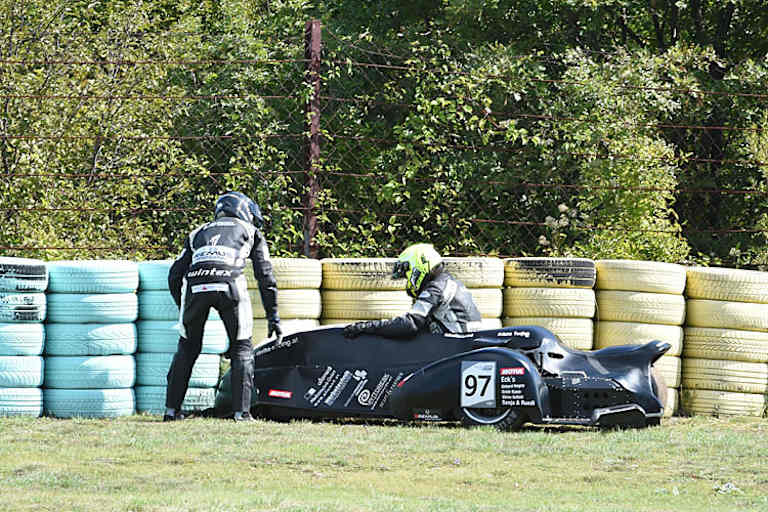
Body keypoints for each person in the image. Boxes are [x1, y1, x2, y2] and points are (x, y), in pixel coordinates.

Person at [164, 191, 282, 422]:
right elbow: (265, 274)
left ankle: (171, 411)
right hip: (231, 285)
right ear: (244, 211)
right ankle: (241, 413)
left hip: (195, 288)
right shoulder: (251, 232)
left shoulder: (197, 232)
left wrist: (184, 308)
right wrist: (273, 316)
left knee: (187, 348)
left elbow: (174, 275)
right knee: (241, 348)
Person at [343, 243, 481, 338]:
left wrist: (368, 327)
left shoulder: (436, 289)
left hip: (457, 347)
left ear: (418, 266)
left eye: (407, 273)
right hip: (464, 343)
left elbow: (410, 325)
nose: (407, 280)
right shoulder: (449, 282)